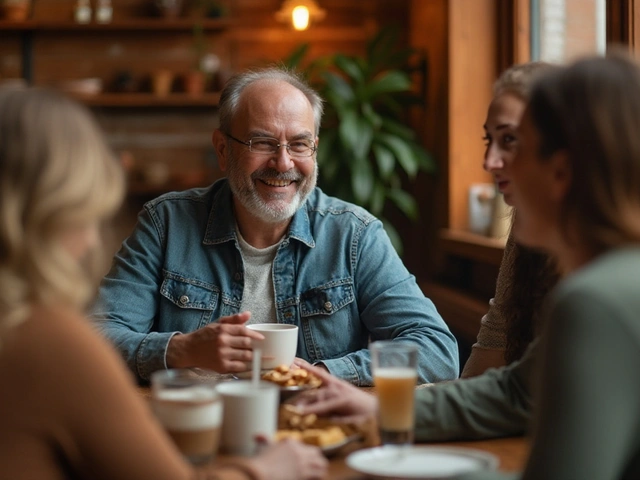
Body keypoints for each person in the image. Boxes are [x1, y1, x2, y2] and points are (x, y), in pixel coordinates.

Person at [300, 52, 640, 479]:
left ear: (562, 171)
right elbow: (518, 391)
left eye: (520, 147)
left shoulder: (596, 302)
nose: (497, 165)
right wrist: (382, 406)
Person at [0, 86, 327, 480]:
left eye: (299, 144)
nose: (90, 240)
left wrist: (317, 374)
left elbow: (422, 338)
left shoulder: (356, 233)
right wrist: (267, 470)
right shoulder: (48, 340)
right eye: (84, 212)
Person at [91, 67, 459, 386]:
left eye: (299, 145)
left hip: (316, 430)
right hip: (199, 426)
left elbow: (437, 350)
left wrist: (325, 374)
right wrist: (181, 350)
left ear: (315, 149)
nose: (283, 163)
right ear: (222, 150)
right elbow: (96, 337)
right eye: (262, 142)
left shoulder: (354, 234)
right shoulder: (166, 224)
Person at [462, 62, 560, 378]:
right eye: (488, 140)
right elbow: (498, 334)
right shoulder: (527, 223)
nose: (488, 162)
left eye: (509, 140)